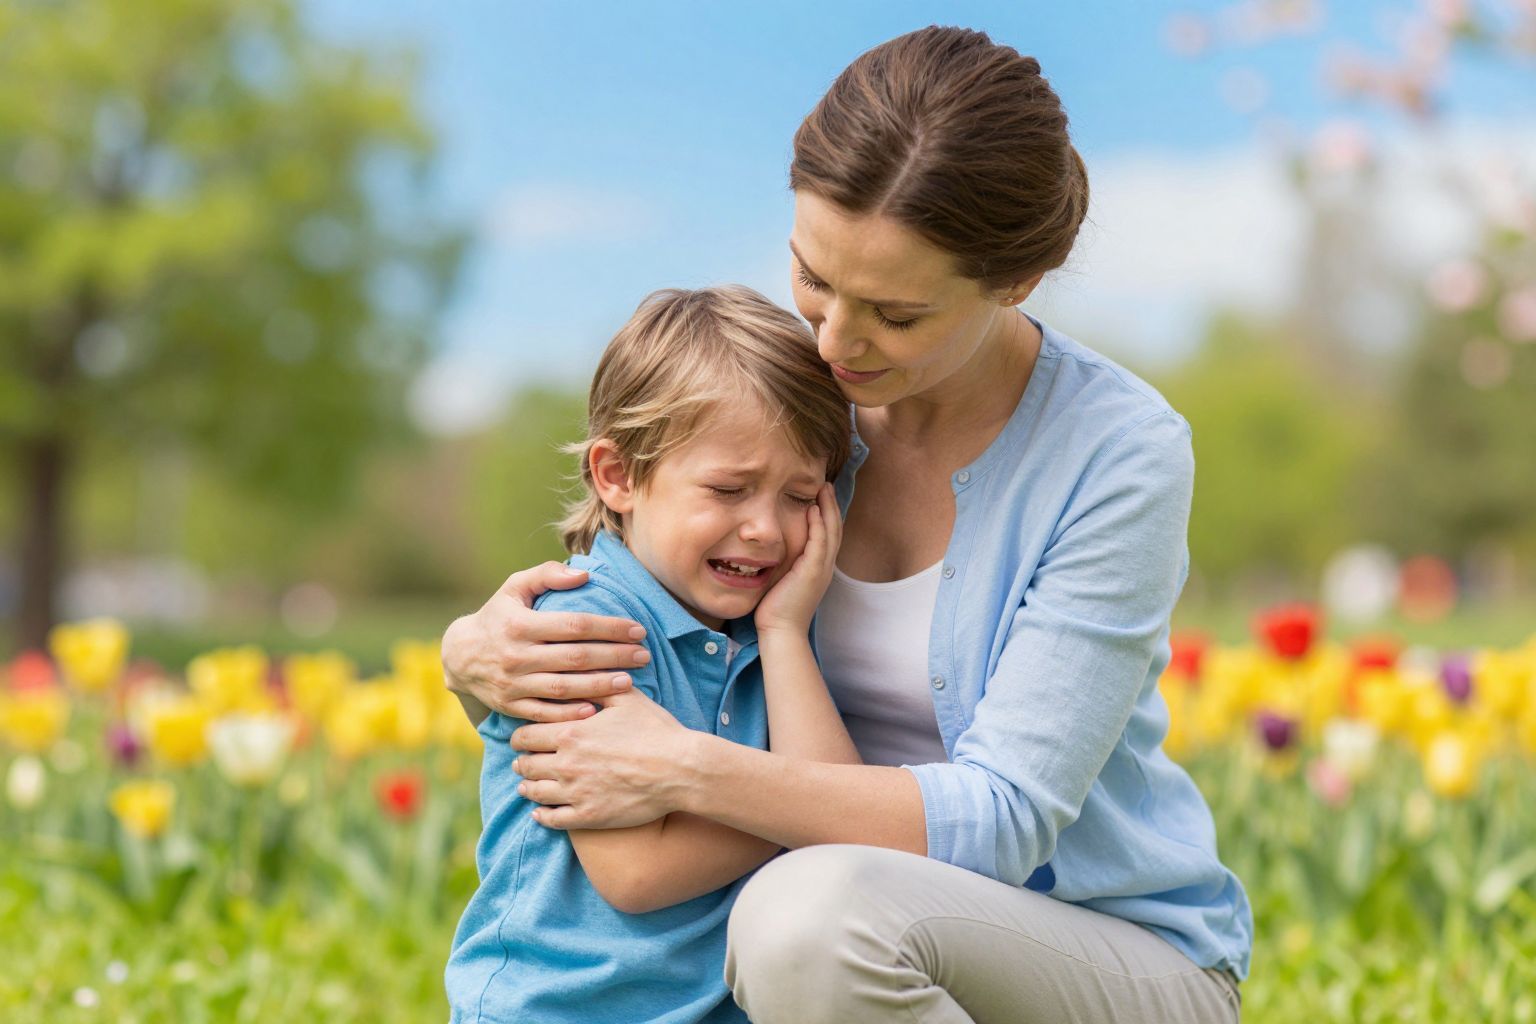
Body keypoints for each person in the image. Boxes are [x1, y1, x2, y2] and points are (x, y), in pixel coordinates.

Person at [444, 26, 1253, 1023]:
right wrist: (471, 655)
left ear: (1014, 283)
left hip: (1095, 955)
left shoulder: (1116, 451)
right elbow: (644, 606)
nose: (833, 340)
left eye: (895, 314)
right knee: (811, 921)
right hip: (850, 958)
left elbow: (1001, 820)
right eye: (813, 278)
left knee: (807, 916)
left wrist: (689, 771)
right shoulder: (788, 422)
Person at [444, 286, 860, 1023]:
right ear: (619, 476)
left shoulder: (776, 629)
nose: (765, 527)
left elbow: (838, 800)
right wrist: (804, 810)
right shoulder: (576, 632)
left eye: (801, 495)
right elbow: (638, 872)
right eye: (729, 489)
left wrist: (786, 635)